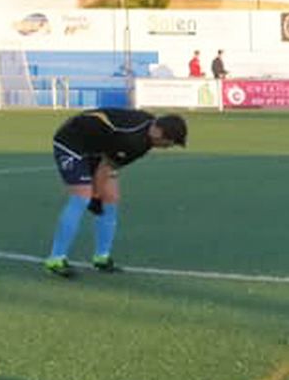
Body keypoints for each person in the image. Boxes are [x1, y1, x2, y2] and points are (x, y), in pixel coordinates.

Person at [43, 108, 188, 277]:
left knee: (111, 198)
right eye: (169, 142)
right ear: (158, 132)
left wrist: (98, 196)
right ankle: (55, 259)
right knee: (82, 196)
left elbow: (107, 165)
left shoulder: (148, 130)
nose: (168, 147)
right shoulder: (133, 142)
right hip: (72, 141)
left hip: (99, 147)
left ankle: (101, 258)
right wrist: (95, 197)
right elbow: (105, 167)